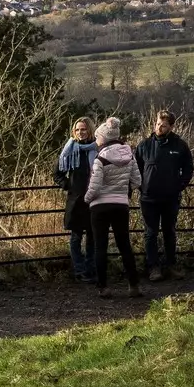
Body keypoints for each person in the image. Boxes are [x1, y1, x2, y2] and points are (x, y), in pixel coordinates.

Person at [84, 116, 143, 298]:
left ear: (104, 138)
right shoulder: (129, 156)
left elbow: (94, 187)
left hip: (100, 207)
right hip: (121, 205)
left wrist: (87, 199)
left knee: (100, 247)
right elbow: (137, 181)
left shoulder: (100, 159)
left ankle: (103, 287)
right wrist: (122, 191)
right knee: (124, 245)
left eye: (98, 137)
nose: (96, 140)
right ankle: (133, 285)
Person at [134, 109, 194, 282]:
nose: (160, 127)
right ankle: (153, 268)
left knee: (169, 231)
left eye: (164, 125)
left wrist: (179, 186)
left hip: (170, 198)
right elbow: (135, 168)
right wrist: (141, 186)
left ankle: (171, 265)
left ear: (171, 127)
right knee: (150, 233)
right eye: (158, 124)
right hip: (148, 198)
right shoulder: (144, 145)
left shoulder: (180, 145)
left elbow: (188, 168)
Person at [54, 116, 98, 282]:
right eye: (78, 129)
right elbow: (57, 173)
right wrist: (68, 185)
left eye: (84, 129)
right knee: (76, 238)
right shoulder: (69, 150)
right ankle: (79, 270)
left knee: (92, 238)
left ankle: (90, 270)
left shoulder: (97, 149)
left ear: (90, 130)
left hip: (93, 200)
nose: (80, 132)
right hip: (76, 201)